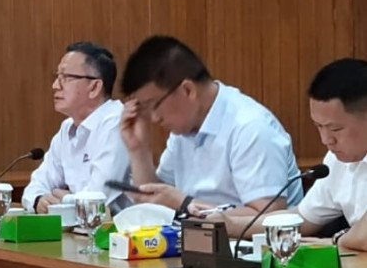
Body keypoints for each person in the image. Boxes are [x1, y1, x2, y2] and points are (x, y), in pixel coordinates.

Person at [118, 35, 302, 217]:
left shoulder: (250, 127)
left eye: (154, 105)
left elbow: (268, 216)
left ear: (188, 90)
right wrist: (138, 150)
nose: (154, 118)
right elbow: (155, 203)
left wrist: (185, 203)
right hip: (196, 235)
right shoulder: (184, 131)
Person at [224, 58, 367, 250]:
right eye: (319, 126)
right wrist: (228, 225)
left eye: (335, 129)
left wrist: (336, 241)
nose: (326, 140)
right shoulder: (336, 161)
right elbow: (303, 218)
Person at [22, 42, 129, 213]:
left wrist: (64, 199)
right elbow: (36, 186)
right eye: (57, 76)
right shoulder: (67, 128)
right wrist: (38, 200)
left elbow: (96, 200)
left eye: (66, 77)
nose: (55, 85)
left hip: (125, 228)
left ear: (94, 87)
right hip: (79, 227)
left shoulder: (118, 124)